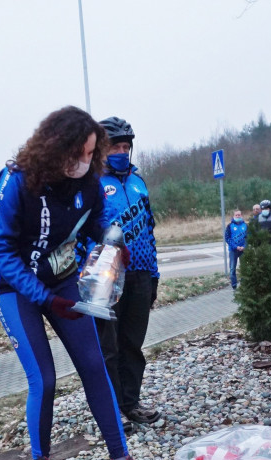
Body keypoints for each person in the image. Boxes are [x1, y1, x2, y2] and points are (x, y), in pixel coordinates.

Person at [0, 105, 152, 460]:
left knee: (95, 366)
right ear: (54, 148)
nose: (83, 162)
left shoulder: (90, 183)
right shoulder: (17, 181)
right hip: (16, 287)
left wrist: (112, 240)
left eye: (90, 154)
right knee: (43, 378)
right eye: (77, 154)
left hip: (61, 282)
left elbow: (95, 221)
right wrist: (42, 296)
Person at [95, 116, 161, 429]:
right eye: (115, 146)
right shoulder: (93, 182)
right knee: (108, 348)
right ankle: (111, 410)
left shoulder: (138, 182)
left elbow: (149, 228)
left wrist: (155, 274)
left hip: (141, 274)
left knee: (132, 344)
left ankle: (131, 403)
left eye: (125, 146)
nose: (121, 151)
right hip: (108, 277)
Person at [224, 209, 248, 290]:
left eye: (239, 215)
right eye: (236, 215)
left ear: (241, 216)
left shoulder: (245, 225)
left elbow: (249, 238)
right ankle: (234, 285)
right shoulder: (229, 226)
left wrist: (244, 246)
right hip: (233, 250)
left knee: (244, 268)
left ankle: (244, 284)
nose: (238, 216)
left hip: (243, 250)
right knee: (232, 268)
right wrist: (235, 246)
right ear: (233, 216)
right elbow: (227, 238)